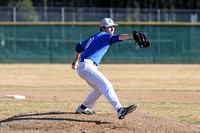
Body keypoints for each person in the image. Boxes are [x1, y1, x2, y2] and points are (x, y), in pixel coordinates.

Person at [72, 18, 137, 119]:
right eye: (109, 27)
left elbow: (78, 46)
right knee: (106, 85)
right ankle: (120, 110)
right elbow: (117, 38)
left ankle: (82, 108)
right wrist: (132, 35)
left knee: (98, 90)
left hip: (85, 67)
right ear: (102, 28)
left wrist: (76, 60)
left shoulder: (93, 38)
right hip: (87, 66)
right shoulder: (104, 36)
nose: (112, 29)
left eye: (113, 27)